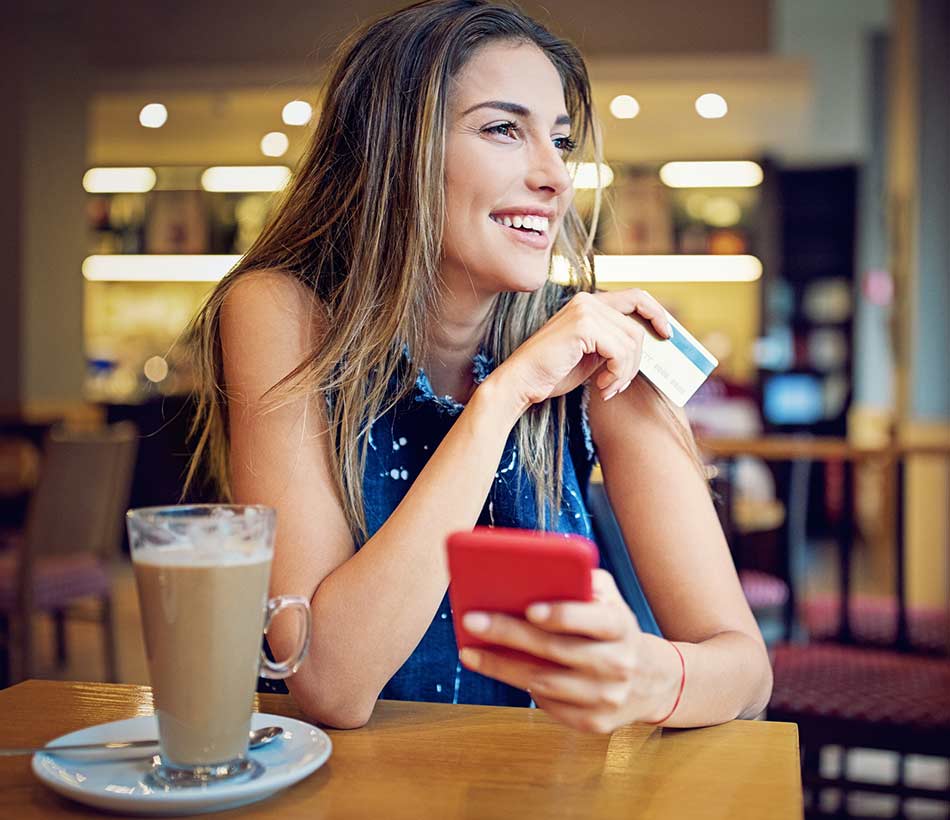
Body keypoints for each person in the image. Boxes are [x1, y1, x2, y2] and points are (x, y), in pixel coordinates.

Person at [186, 0, 772, 733]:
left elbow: (749, 672)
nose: (556, 178)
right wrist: (502, 398)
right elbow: (328, 680)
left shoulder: (607, 348)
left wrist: (655, 677)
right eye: (503, 129)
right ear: (393, 151)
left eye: (560, 142)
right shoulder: (280, 311)